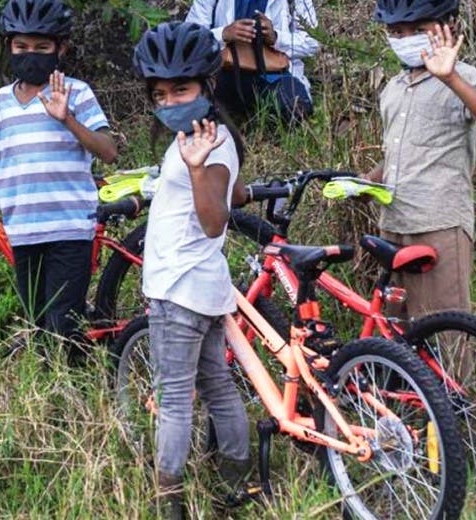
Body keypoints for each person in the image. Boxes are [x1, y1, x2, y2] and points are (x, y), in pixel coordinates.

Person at [0, 0, 117, 365]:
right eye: (21, 47)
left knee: (62, 324)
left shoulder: (76, 92)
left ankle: (75, 393)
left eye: (41, 48)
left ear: (60, 48)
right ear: (9, 47)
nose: (30, 55)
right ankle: (58, 394)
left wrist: (67, 120)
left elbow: (108, 150)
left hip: (69, 228)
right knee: (39, 324)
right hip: (23, 232)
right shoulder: (2, 101)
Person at [133, 21, 254, 519]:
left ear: (206, 87)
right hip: (200, 290)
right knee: (218, 388)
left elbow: (211, 220)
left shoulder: (205, 146)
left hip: (179, 290)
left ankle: (170, 505)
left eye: (180, 89)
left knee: (176, 399)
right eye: (160, 93)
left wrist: (200, 170)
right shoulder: (206, 137)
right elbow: (227, 195)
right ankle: (238, 486)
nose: (170, 101)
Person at [365, 0, 476, 371]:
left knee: (447, 328)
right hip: (392, 225)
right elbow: (399, 154)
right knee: (396, 329)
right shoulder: (394, 88)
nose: (406, 38)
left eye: (417, 29)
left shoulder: (463, 77)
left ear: (446, 26)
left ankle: (459, 415)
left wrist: (451, 78)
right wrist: (364, 182)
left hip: (439, 223)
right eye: (397, 32)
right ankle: (410, 415)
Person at [186, 0, 320, 123]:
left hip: (274, 76)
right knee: (193, 107)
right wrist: (223, 34)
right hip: (223, 74)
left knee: (296, 107)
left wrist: (276, 38)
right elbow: (188, 39)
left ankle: (261, 121)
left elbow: (313, 42)